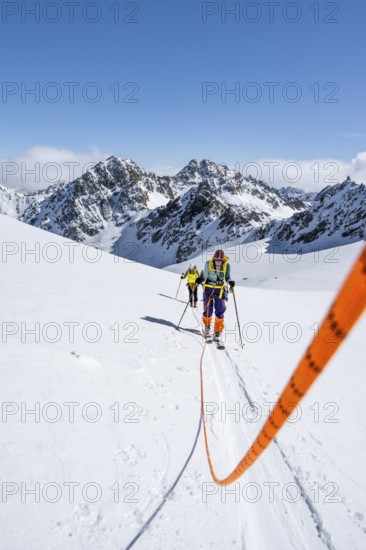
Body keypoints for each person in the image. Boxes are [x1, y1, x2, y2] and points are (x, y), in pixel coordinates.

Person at [196, 249, 235, 344]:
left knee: (220, 310)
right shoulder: (208, 264)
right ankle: (207, 328)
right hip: (208, 288)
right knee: (208, 309)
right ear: (214, 258)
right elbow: (205, 276)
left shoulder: (226, 265)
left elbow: (227, 277)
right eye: (217, 260)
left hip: (220, 289)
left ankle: (218, 331)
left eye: (220, 260)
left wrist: (230, 282)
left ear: (223, 260)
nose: (218, 262)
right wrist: (200, 279)